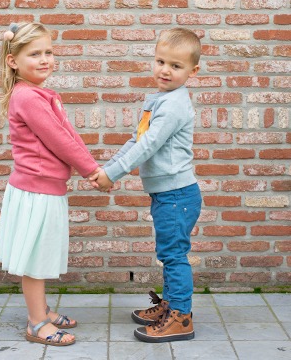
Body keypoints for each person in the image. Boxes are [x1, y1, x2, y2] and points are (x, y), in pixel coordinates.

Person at [89, 28, 202, 343]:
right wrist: (108, 168)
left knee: (174, 255)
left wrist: (114, 174)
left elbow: (149, 145)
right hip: (169, 195)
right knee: (168, 252)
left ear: (192, 71)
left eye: (176, 66)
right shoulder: (160, 100)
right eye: (161, 61)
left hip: (177, 195)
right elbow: (135, 140)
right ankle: (169, 306)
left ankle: (181, 317)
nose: (165, 70)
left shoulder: (174, 105)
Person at [0, 22, 100, 346]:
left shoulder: (40, 94)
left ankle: (42, 310)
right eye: (35, 54)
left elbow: (68, 136)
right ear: (13, 60)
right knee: (34, 261)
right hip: (35, 192)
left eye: (49, 52)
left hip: (44, 190)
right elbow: (59, 142)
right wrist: (91, 171)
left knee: (40, 257)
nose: (45, 60)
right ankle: (36, 323)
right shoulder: (28, 97)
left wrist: (91, 167)